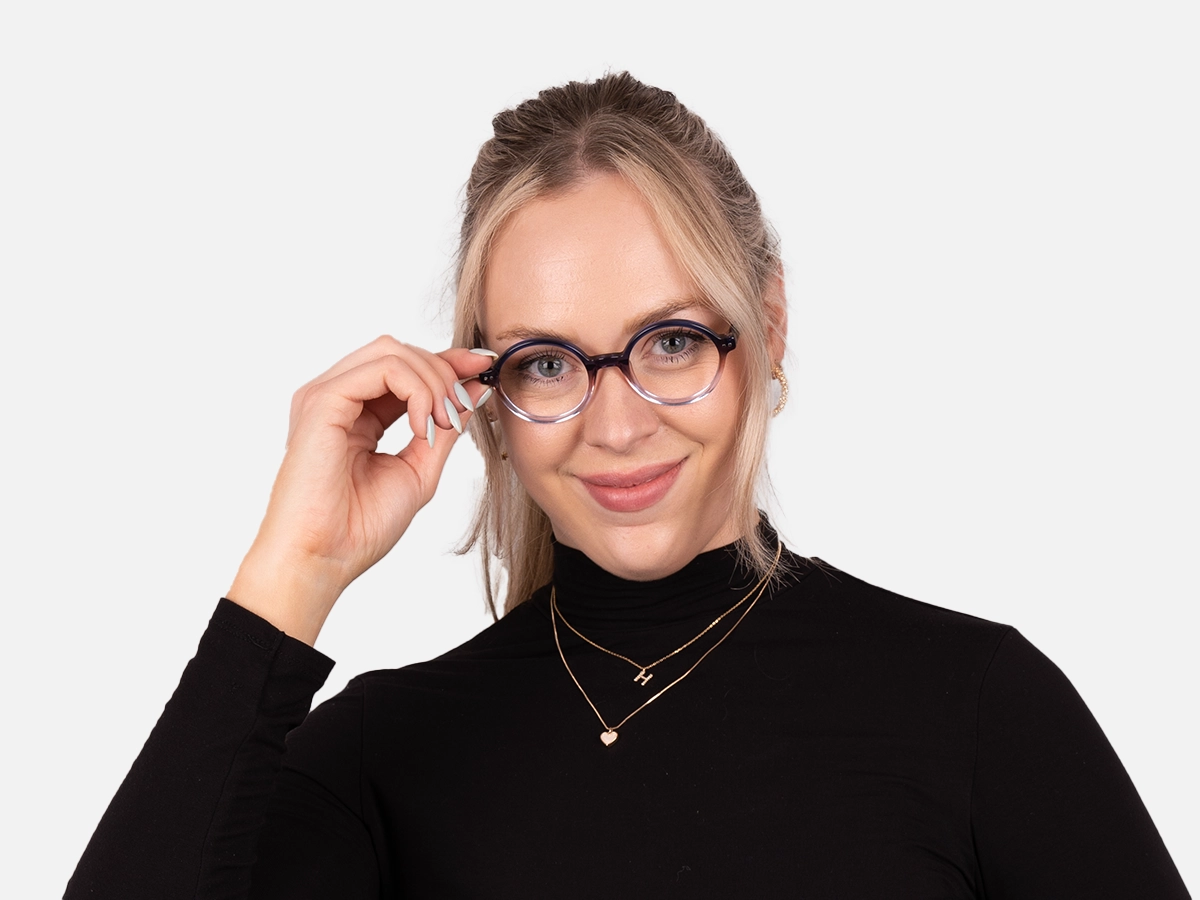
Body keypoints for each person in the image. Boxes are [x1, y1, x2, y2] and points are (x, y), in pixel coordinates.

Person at [65, 72, 1189, 899]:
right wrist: (293, 571)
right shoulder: (381, 758)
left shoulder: (976, 708)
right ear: (484, 387)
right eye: (548, 363)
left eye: (670, 342)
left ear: (767, 324)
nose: (616, 425)